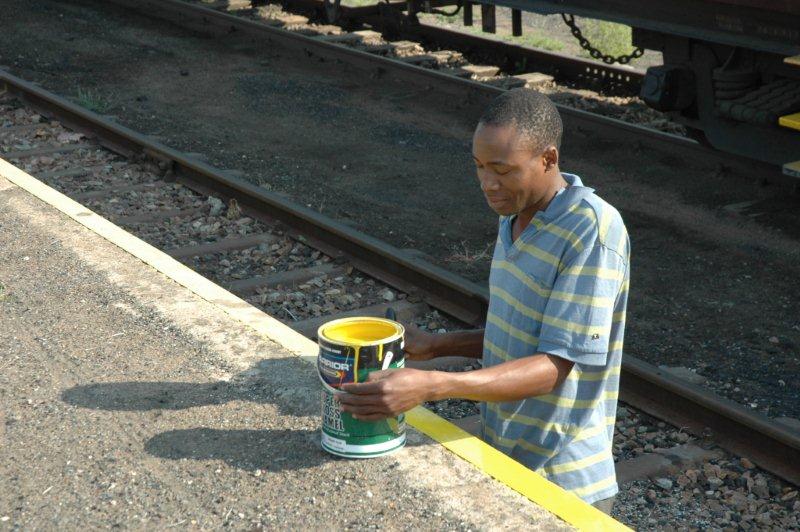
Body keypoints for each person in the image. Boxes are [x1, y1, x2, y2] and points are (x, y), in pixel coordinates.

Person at [339, 88, 630, 513]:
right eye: (479, 167)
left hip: (563, 480)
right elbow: (519, 329)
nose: (488, 184)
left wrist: (433, 385)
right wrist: (437, 346)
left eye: (502, 169)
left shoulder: (592, 231)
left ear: (548, 159)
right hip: (506, 456)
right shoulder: (514, 212)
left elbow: (555, 365)